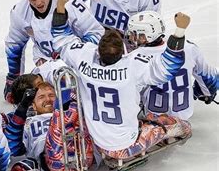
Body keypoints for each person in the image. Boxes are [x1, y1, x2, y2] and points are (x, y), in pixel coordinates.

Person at [54, 9, 192, 160]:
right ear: (122, 53)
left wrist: (60, 6)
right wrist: (180, 30)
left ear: (98, 51)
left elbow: (61, 38)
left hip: (98, 141)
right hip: (126, 146)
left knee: (146, 116)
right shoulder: (132, 66)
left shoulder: (84, 58)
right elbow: (168, 66)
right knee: (181, 125)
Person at [4, 0, 104, 103]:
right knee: (23, 94)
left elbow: (97, 33)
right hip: (45, 63)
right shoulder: (19, 12)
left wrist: (76, 54)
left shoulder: (70, 2)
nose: (38, 3)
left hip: (76, 62)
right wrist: (13, 78)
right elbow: (14, 45)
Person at [125, 11, 217, 119]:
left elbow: (128, 95)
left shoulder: (133, 58)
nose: (131, 38)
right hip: (183, 119)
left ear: (146, 36)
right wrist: (205, 93)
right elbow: (210, 78)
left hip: (153, 121)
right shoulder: (189, 47)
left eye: (134, 34)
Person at [6, 82, 95, 171]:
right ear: (34, 106)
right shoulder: (29, 123)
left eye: (52, 95)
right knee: (68, 115)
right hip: (52, 159)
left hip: (82, 152)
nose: (48, 99)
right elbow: (13, 147)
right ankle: (67, 97)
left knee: (77, 118)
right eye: (41, 97)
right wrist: (22, 107)